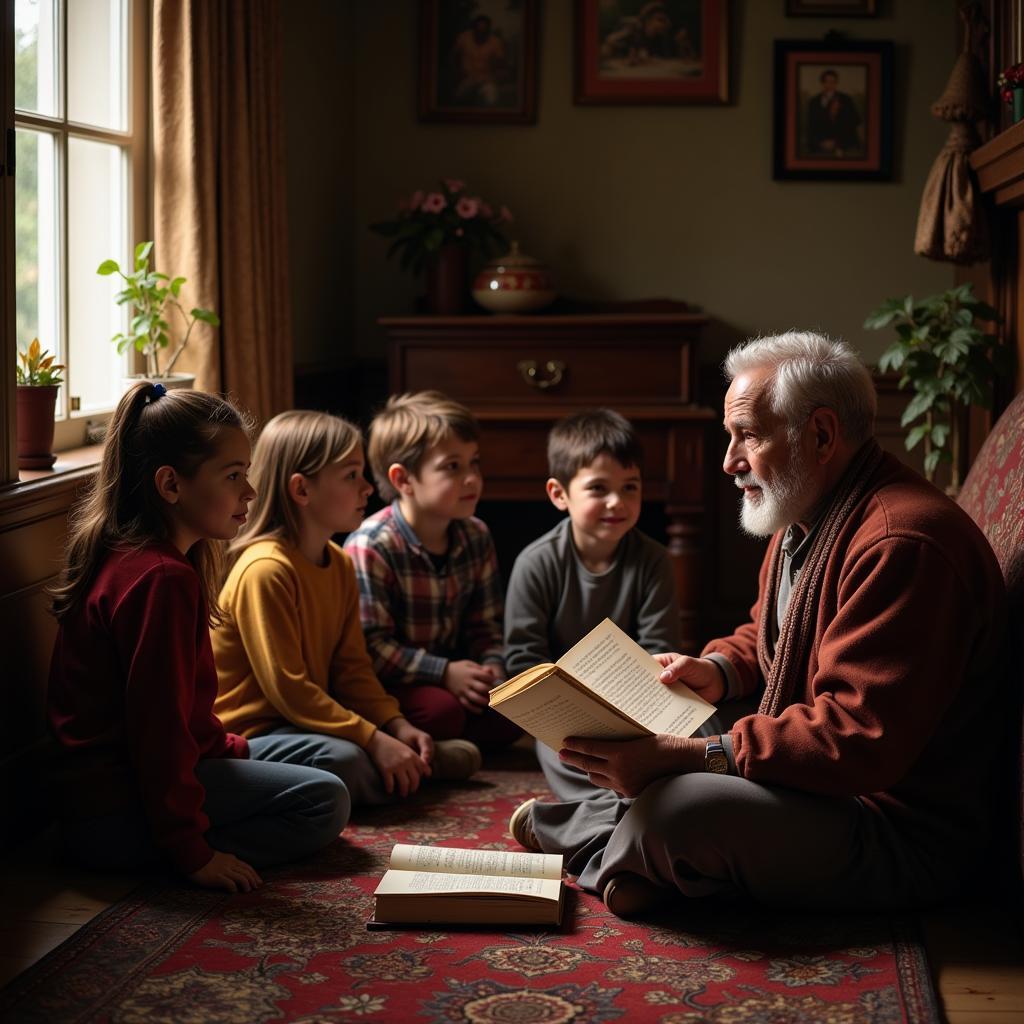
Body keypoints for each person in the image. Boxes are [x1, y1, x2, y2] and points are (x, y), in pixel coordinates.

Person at [508, 332, 1007, 918]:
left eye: (748, 434)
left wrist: (687, 757)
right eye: (730, 436)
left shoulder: (903, 543)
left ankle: (617, 844)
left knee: (679, 808)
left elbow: (855, 740)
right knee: (666, 729)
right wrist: (716, 671)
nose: (729, 460)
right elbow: (768, 637)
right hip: (820, 780)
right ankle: (639, 857)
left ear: (820, 435)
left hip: (892, 824)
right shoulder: (804, 514)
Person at [47, 383, 347, 894]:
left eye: (247, 474)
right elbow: (156, 732)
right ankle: (180, 853)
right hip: (115, 811)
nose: (249, 493)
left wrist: (226, 749)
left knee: (330, 755)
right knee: (327, 800)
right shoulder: (159, 578)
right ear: (171, 485)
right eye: (233, 477)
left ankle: (198, 828)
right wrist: (193, 853)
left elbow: (180, 717)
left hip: (141, 786)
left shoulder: (159, 559)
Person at [213, 410, 482, 810]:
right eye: (352, 475)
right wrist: (373, 739)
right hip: (252, 734)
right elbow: (290, 691)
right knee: (345, 759)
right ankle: (411, 770)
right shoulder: (266, 569)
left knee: (357, 750)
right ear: (302, 490)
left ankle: (402, 765)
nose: (368, 488)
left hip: (303, 725)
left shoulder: (338, 563)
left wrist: (395, 724)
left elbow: (352, 669)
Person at [344, 391, 521, 749]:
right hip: (395, 682)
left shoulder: (475, 534)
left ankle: (440, 748)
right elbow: (372, 648)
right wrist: (442, 672)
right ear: (403, 480)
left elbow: (484, 623)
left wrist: (493, 670)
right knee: (441, 713)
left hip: (456, 672)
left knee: (516, 710)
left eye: (474, 463)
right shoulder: (371, 546)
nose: (472, 478)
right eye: (452, 467)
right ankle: (422, 748)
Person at [504, 408, 681, 679]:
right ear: (559, 494)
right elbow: (523, 658)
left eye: (629, 487)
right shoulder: (535, 563)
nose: (617, 502)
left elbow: (659, 650)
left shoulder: (654, 560)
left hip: (630, 692)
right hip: (555, 699)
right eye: (598, 488)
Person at [449, 14, 507, 107]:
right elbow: (453, 56)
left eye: (484, 29)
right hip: (466, 78)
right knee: (458, 99)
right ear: (474, 28)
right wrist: (456, 72)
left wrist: (497, 74)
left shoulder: (495, 42)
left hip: (486, 79)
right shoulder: (463, 37)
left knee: (491, 100)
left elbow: (500, 63)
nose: (481, 31)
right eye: (478, 28)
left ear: (488, 30)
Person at [806, 69, 862, 157]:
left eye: (833, 82)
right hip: (820, 144)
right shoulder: (814, 102)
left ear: (836, 83)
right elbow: (811, 126)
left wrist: (836, 142)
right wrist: (821, 142)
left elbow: (855, 121)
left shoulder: (846, 100)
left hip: (844, 144)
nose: (830, 84)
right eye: (827, 81)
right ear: (822, 83)